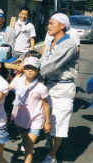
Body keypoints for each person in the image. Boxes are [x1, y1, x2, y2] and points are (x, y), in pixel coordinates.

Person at [39, 13, 78, 163]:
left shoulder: (70, 44)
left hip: (63, 90)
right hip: (48, 87)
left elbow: (52, 64)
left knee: (59, 125)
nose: (48, 26)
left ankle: (52, 155)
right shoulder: (49, 43)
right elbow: (42, 61)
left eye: (51, 23)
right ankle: (51, 145)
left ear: (62, 26)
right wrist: (27, 64)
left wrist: (32, 71)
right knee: (47, 122)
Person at [10, 57, 51, 163]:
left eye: (33, 68)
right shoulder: (18, 81)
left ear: (38, 71)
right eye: (27, 67)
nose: (29, 70)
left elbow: (45, 105)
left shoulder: (41, 87)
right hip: (22, 119)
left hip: (35, 120)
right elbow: (6, 89)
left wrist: (47, 122)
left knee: (29, 148)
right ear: (23, 69)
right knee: (25, 141)